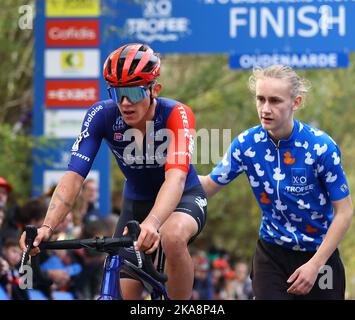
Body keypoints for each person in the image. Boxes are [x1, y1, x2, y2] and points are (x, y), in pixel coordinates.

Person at [20, 43, 207, 300]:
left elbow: (176, 177)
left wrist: (153, 223)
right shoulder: (101, 115)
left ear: (155, 90)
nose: (125, 102)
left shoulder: (176, 113)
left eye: (133, 91)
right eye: (117, 93)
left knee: (172, 237)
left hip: (182, 199)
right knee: (125, 293)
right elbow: (74, 176)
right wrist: (47, 227)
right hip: (135, 205)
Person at [199, 65, 353, 300]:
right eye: (260, 99)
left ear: (296, 102)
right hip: (271, 254)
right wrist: (169, 174)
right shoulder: (247, 144)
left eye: (275, 101)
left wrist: (315, 265)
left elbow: (344, 212)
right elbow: (208, 186)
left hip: (320, 255)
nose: (265, 109)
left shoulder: (321, 147)